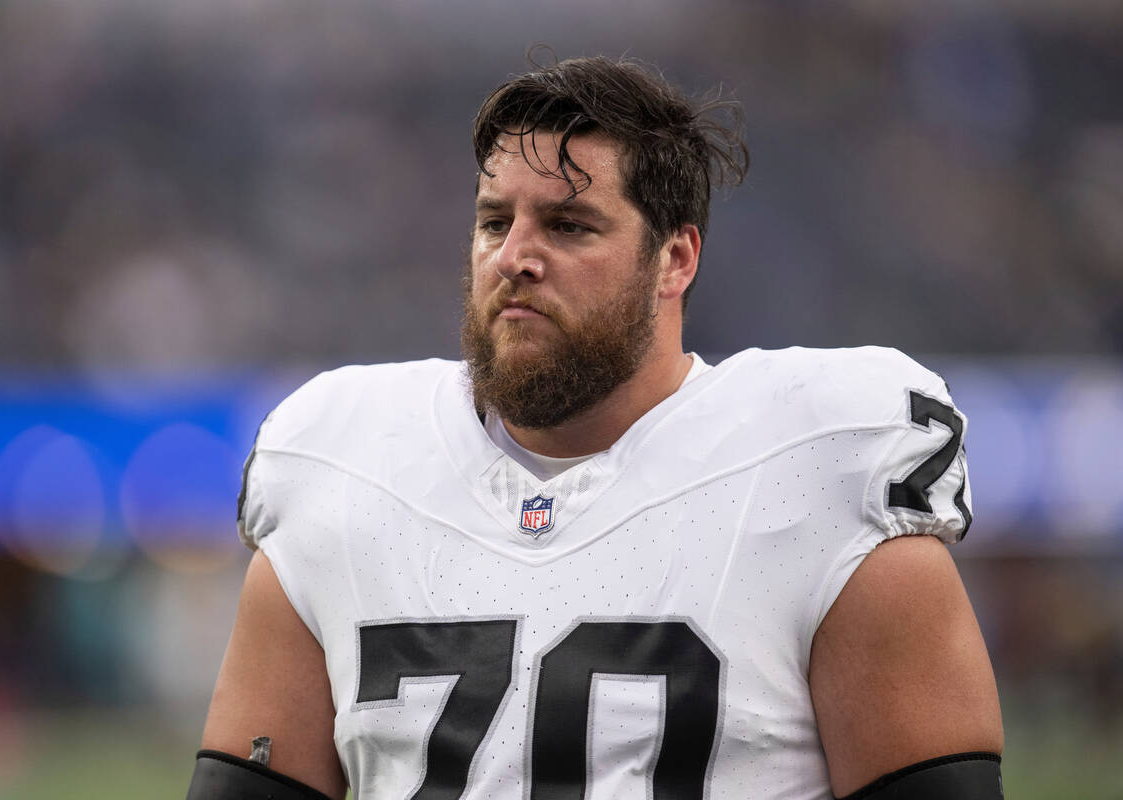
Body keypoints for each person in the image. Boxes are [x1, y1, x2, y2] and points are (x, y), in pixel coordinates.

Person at [187, 56, 1004, 800]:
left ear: (675, 260)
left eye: (569, 226)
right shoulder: (341, 465)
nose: (515, 256)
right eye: (494, 221)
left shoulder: (820, 463)